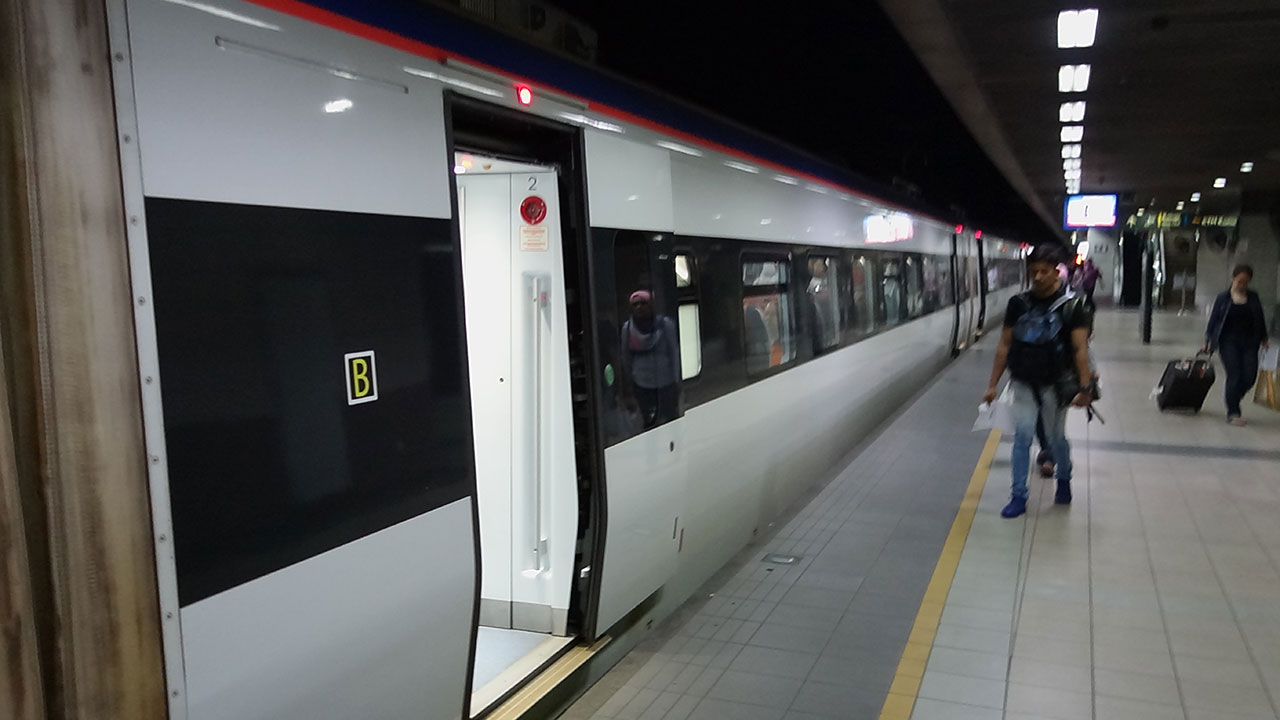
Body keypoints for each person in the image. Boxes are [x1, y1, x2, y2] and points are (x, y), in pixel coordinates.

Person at [983, 244, 1093, 518]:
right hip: (1022, 382)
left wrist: (1085, 387)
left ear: (1057, 272)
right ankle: (1018, 496)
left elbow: (1080, 350)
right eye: (1034, 272)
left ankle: (1064, 480)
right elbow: (1004, 346)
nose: (1038, 277)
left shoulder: (1073, 307)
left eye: (1044, 271)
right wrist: (992, 384)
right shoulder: (1018, 304)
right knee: (1021, 437)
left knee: (1055, 438)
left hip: (1056, 386)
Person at [1203, 264, 1270, 426]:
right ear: (1233, 279)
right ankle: (1233, 412)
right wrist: (1207, 340)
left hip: (1250, 342)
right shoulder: (1223, 298)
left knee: (1249, 377)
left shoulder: (1253, 297)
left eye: (1246, 282)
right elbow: (1213, 322)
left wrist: (1264, 338)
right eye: (1240, 281)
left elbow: (1260, 318)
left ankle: (1232, 397)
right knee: (1235, 375)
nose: (1242, 285)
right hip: (1228, 342)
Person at [620, 289, 681, 429]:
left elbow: (673, 353)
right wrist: (630, 383)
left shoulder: (665, 325)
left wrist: (676, 380)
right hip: (641, 385)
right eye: (635, 305)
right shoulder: (628, 329)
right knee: (648, 423)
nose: (639, 307)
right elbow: (626, 357)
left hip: (666, 383)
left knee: (672, 420)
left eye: (643, 303)